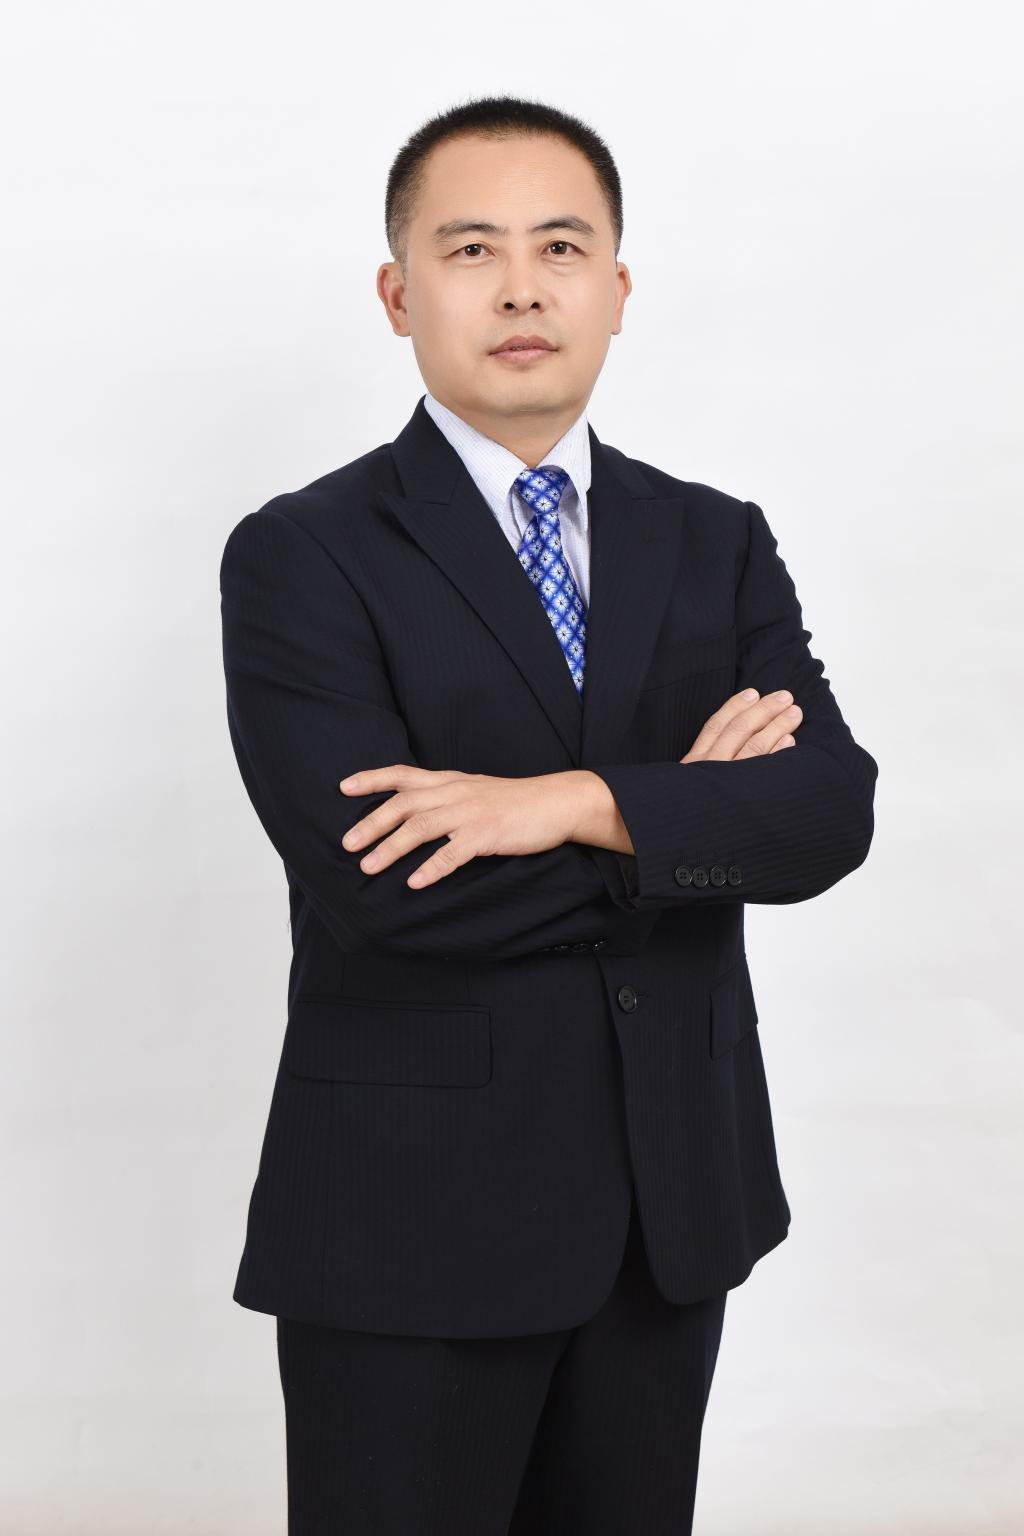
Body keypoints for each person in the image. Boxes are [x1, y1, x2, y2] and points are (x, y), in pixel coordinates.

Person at [219, 94, 878, 1535]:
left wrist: (568, 803)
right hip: (411, 1225)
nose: (523, 288)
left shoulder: (713, 539)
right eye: (472, 250)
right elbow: (385, 887)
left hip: (668, 1204)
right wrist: (688, 819)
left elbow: (828, 813)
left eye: (561, 247)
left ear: (617, 290)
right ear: (398, 293)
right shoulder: (304, 554)